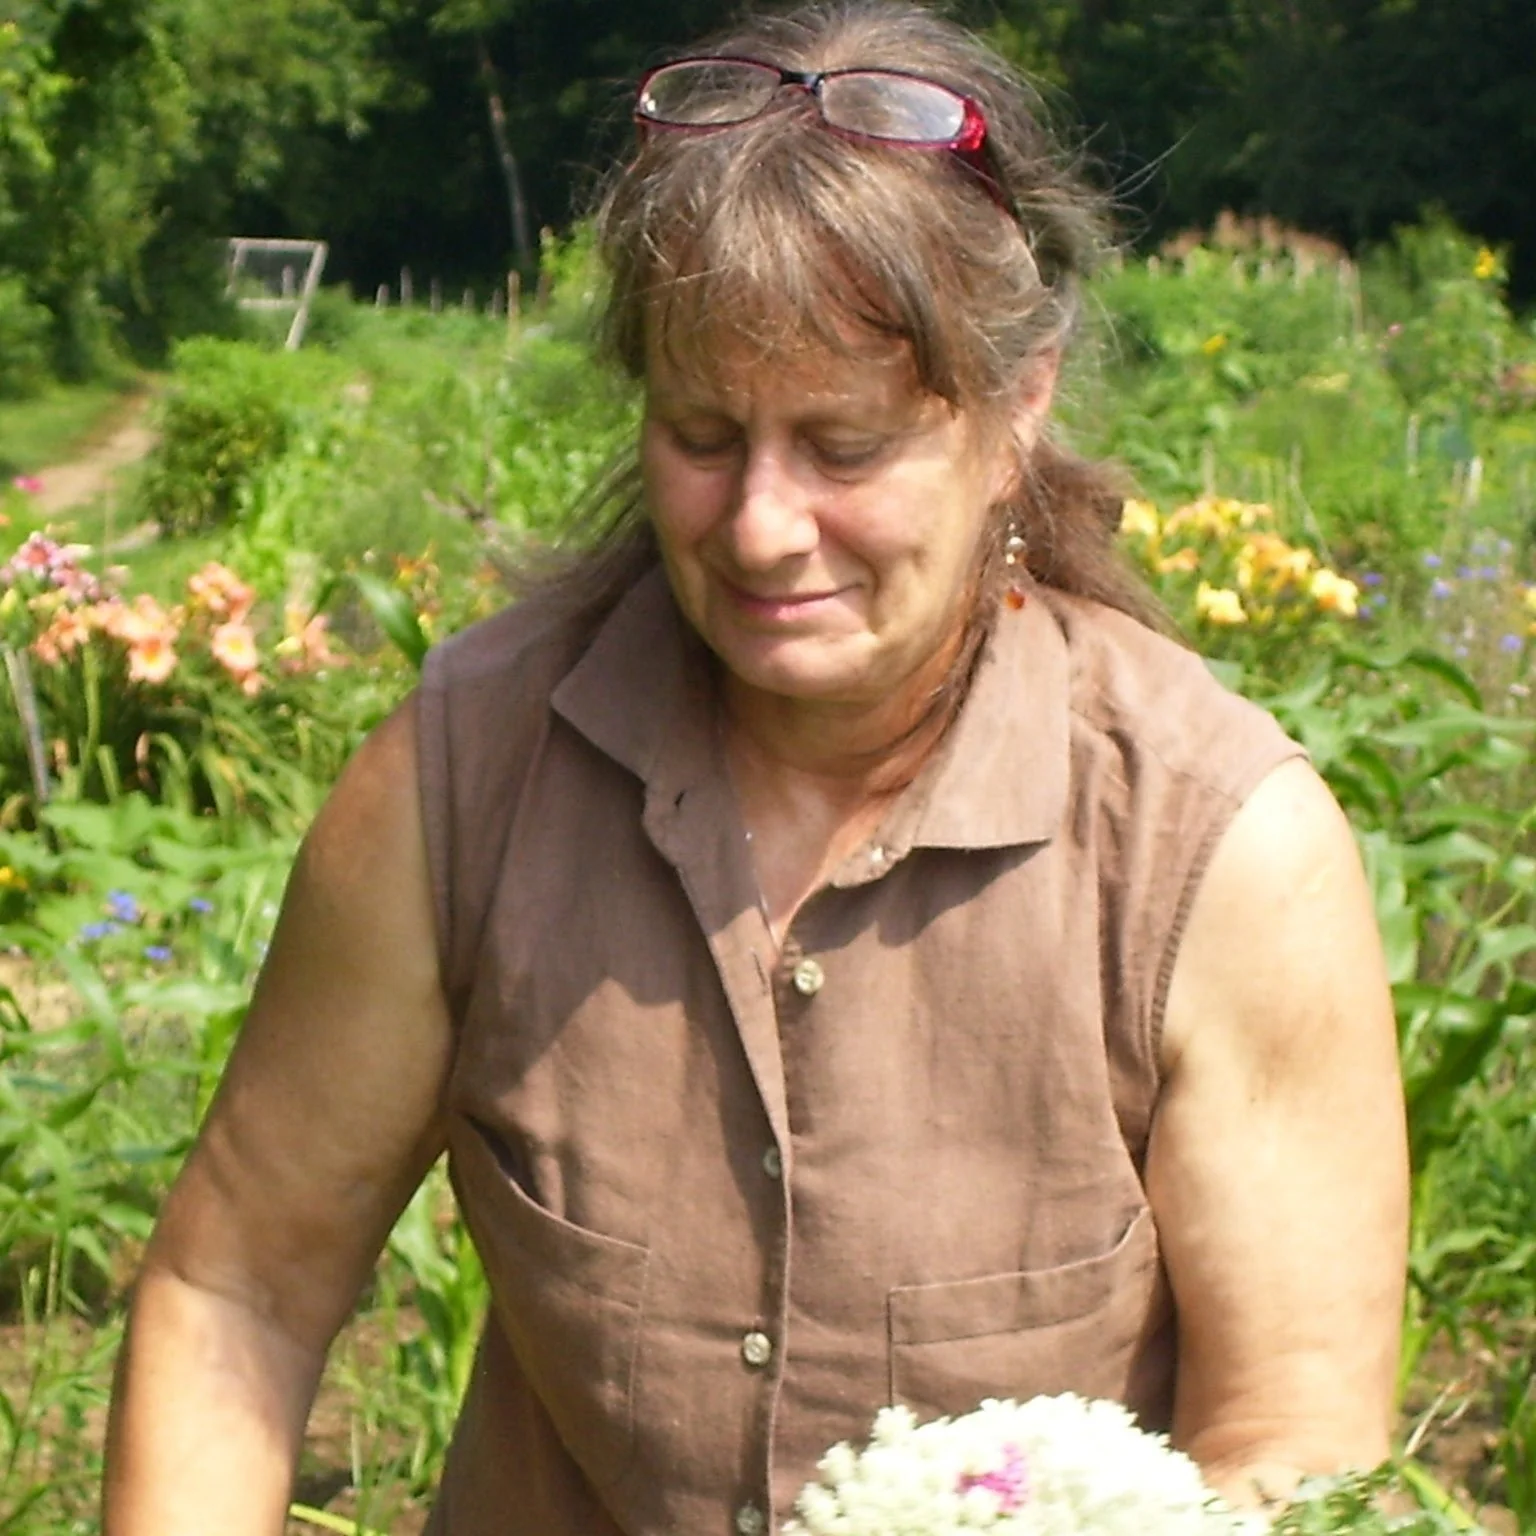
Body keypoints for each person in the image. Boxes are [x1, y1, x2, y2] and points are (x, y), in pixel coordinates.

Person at [102, 4, 1410, 1533]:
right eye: (703, 433)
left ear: (1018, 404)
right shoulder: (467, 779)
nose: (762, 525)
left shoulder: (1220, 853)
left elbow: (1297, 1450)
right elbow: (235, 1293)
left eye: (847, 448)